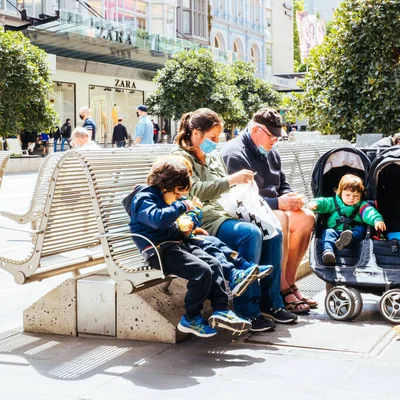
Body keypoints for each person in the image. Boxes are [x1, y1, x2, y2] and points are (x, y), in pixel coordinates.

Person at [170, 108, 297, 329]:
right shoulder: (179, 159)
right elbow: (194, 191)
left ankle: (272, 303)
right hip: (204, 220)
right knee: (250, 233)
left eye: (218, 137)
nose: (216, 142)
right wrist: (231, 180)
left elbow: (226, 190)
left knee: (272, 231)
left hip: (227, 213)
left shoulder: (213, 155)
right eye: (212, 137)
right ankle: (248, 310)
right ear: (196, 133)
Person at [122, 157, 252, 337]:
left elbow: (168, 225)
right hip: (159, 252)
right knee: (202, 271)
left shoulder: (162, 197)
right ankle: (191, 318)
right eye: (177, 194)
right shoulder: (143, 198)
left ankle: (222, 309)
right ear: (165, 185)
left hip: (175, 245)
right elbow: (157, 220)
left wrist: (187, 229)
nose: (179, 198)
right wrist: (183, 205)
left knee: (213, 264)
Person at [222, 108, 316, 314]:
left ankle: (289, 283)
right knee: (281, 216)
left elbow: (283, 183)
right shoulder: (234, 154)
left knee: (307, 217)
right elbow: (240, 199)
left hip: (270, 207)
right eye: (272, 136)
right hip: (247, 213)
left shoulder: (271, 150)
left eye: (278, 137)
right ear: (255, 130)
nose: (275, 140)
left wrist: (292, 198)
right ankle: (280, 288)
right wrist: (278, 204)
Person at [308, 174, 386, 265]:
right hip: (335, 231)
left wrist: (376, 219)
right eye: (348, 195)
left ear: (361, 195)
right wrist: (315, 204)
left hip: (352, 232)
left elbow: (369, 212)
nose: (351, 198)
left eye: (356, 196)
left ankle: (349, 241)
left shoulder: (361, 205)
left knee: (360, 230)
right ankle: (328, 252)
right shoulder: (333, 202)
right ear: (340, 193)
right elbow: (323, 203)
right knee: (328, 232)